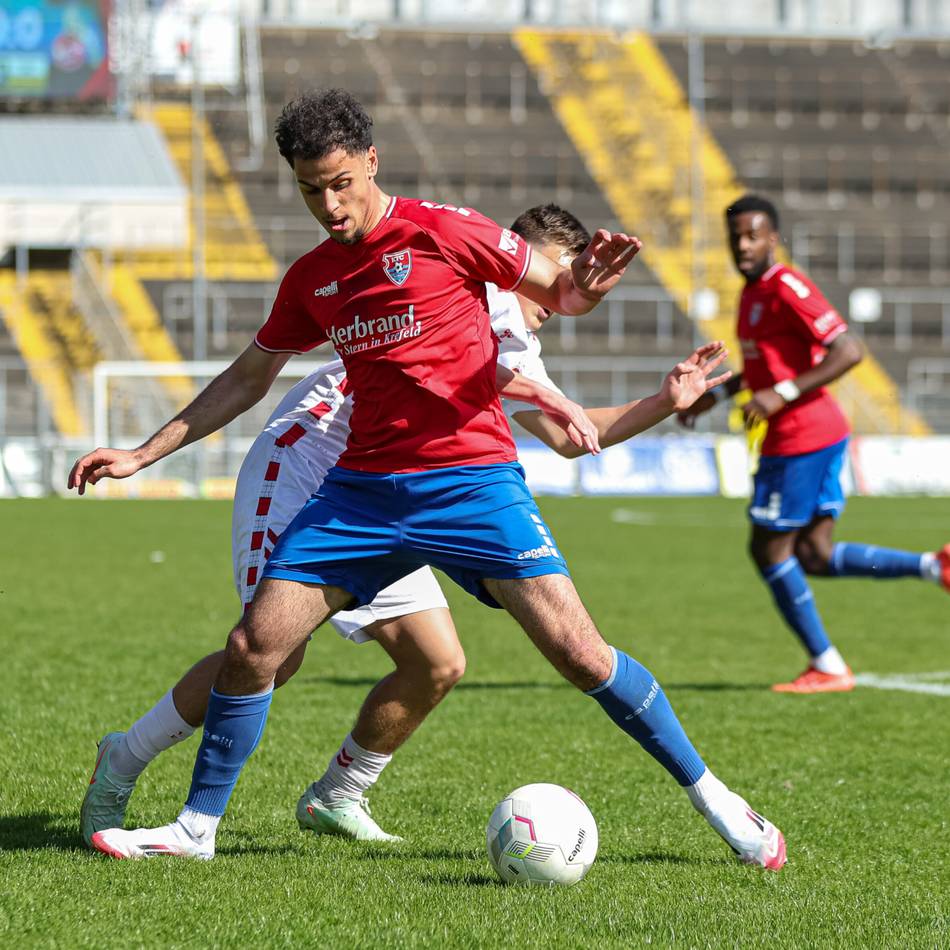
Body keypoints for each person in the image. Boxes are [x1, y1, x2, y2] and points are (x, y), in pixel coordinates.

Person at [71, 90, 785, 869]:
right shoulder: (313, 277)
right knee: (257, 646)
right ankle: (194, 828)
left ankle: (718, 800)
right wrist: (143, 454)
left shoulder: (446, 230)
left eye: (342, 184)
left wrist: (591, 298)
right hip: (355, 486)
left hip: (472, 482)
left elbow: (563, 299)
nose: (330, 206)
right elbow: (249, 377)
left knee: (575, 654)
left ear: (372, 162)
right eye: (311, 190)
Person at [678, 194, 950, 693]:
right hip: (814, 435)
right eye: (736, 236)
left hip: (800, 438)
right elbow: (764, 372)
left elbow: (848, 350)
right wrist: (713, 396)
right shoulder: (753, 294)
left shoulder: (787, 286)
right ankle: (935, 567)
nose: (743, 245)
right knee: (814, 553)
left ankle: (826, 664)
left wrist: (781, 394)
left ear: (773, 238)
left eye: (753, 235)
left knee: (768, 548)